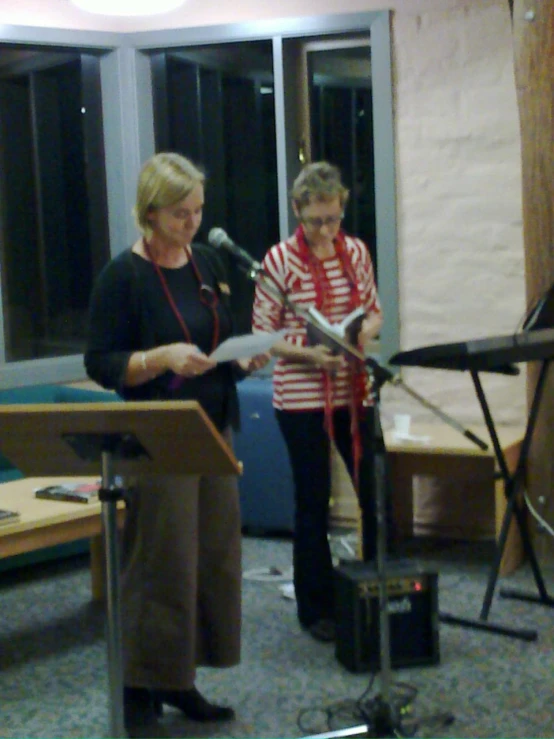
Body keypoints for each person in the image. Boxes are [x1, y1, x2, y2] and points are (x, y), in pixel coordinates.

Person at [84, 152, 267, 737]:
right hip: (157, 437)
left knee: (213, 557)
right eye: (181, 213)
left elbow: (215, 345)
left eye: (198, 211)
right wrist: (160, 357)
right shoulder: (123, 276)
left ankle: (180, 680)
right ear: (151, 212)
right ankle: (140, 684)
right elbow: (102, 363)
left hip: (213, 425)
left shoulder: (208, 261)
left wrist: (246, 359)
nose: (192, 222)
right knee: (160, 561)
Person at [252, 161, 386, 643]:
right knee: (312, 500)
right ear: (297, 211)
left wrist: (359, 333)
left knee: (375, 491)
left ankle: (376, 588)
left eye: (333, 219)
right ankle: (316, 608)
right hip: (301, 397)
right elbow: (262, 336)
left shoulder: (356, 251)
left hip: (355, 389)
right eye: (315, 221)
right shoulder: (278, 260)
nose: (325, 230)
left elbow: (374, 314)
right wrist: (310, 352)